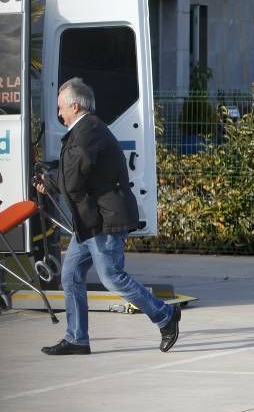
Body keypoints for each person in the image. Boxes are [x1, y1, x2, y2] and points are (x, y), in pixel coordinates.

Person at [36, 77, 180, 355]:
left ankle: (165, 315)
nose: (58, 113)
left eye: (61, 107)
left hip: (105, 219)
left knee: (112, 276)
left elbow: (73, 177)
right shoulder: (85, 130)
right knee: (71, 274)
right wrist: (49, 176)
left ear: (75, 106)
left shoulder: (88, 130)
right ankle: (77, 338)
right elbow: (73, 170)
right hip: (92, 221)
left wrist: (49, 180)